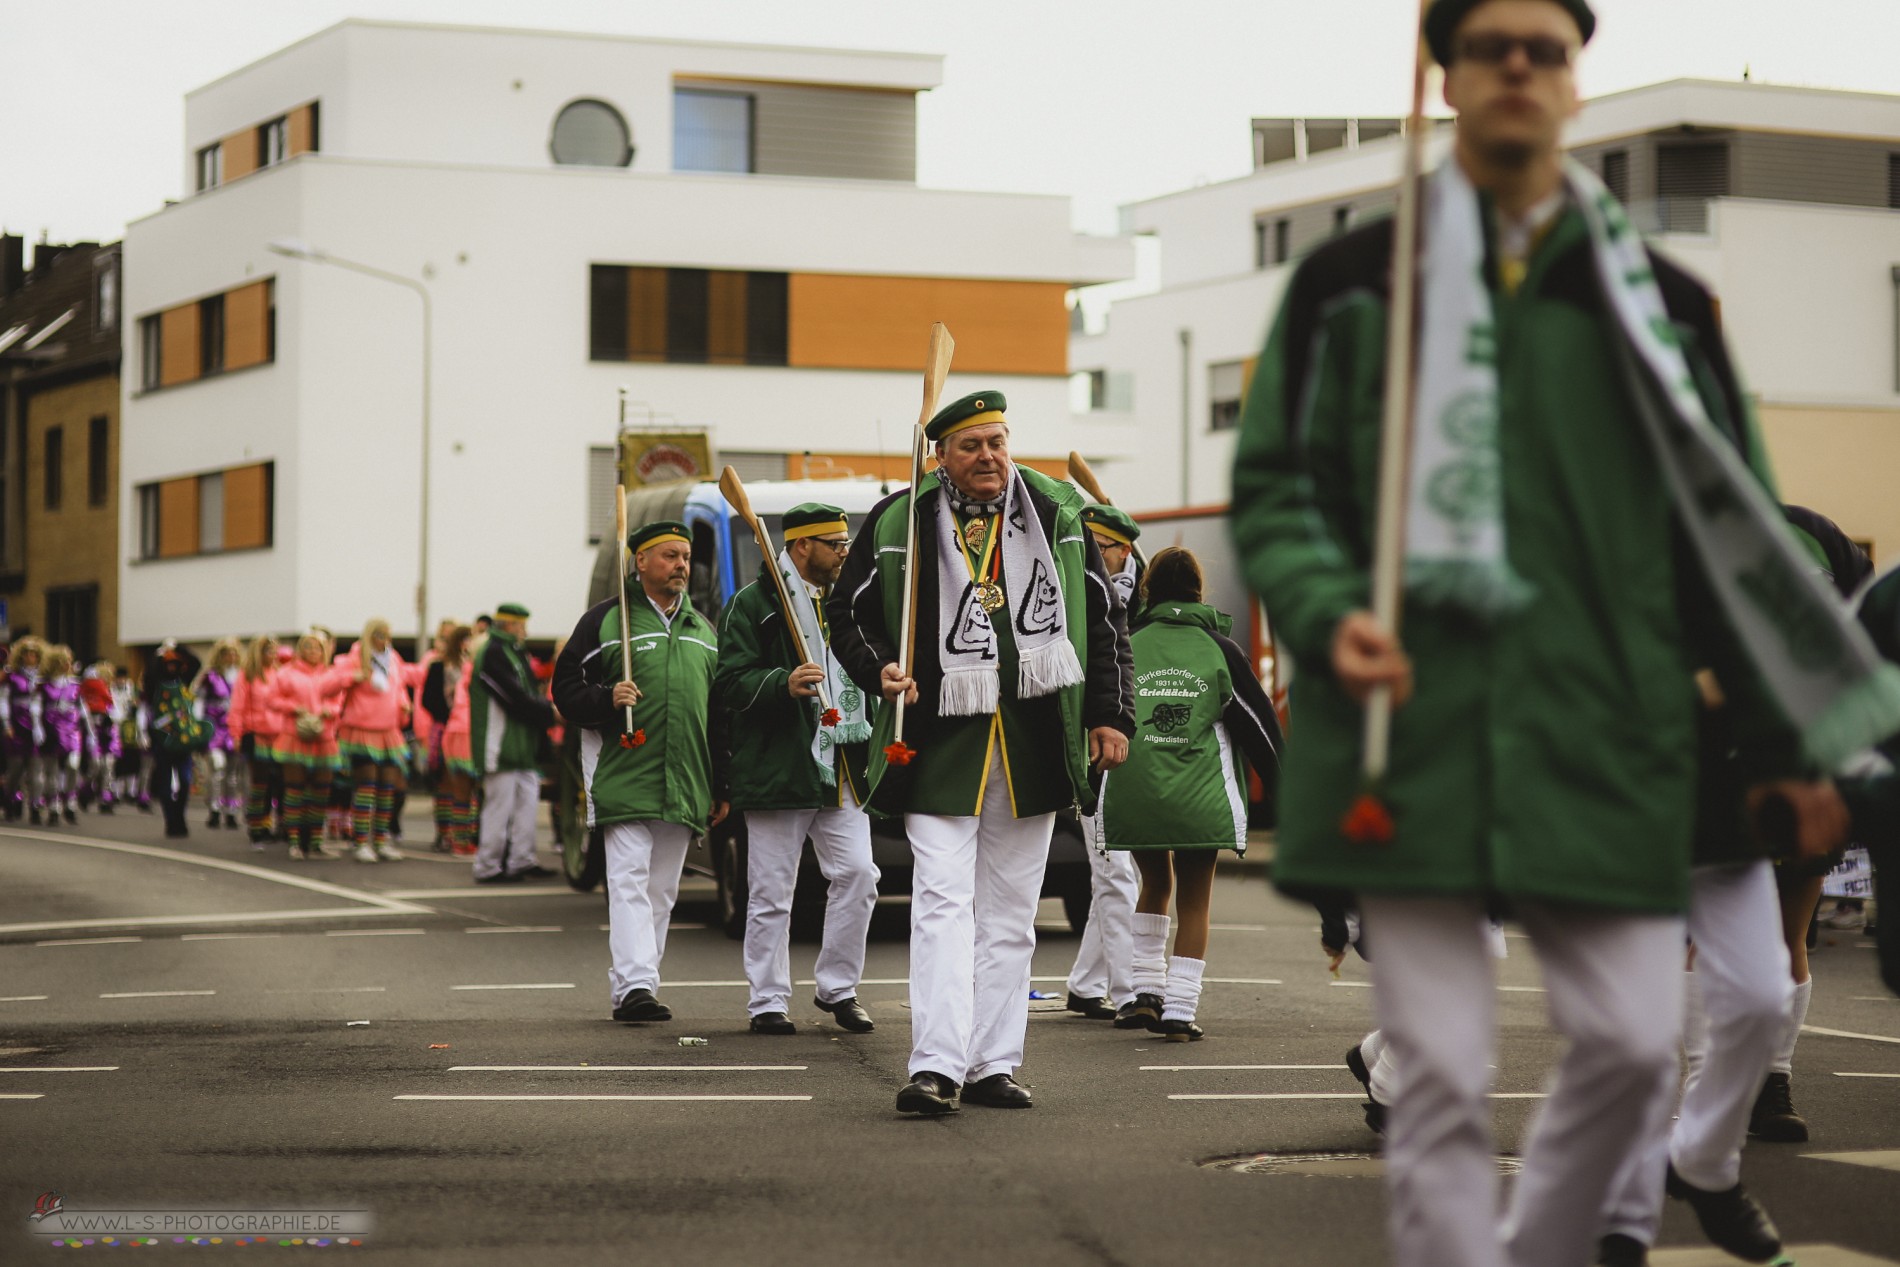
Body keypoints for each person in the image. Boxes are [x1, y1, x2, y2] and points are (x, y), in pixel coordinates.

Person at [1228, 3, 1883, 1264]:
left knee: (1638, 1046)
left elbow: (1731, 547)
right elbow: (1278, 491)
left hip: (1608, 732)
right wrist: (1324, 608)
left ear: (1577, 84)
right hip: (1409, 727)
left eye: (1549, 48)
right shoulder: (1348, 284)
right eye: (1493, 46)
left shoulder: (1665, 306)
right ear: (1449, 74)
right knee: (1435, 1075)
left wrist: (1794, 745)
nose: (1521, 66)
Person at [829, 389, 1134, 1114]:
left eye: (997, 441)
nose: (990, 456)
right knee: (940, 902)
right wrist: (879, 669)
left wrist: (1108, 712)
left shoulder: (1057, 514)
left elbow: (1104, 619)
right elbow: (847, 612)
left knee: (1010, 914)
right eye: (972, 446)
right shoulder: (900, 519)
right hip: (937, 742)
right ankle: (935, 1063)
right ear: (941, 457)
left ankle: (993, 1061)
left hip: (1031, 740)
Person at [1092, 548, 1282, 1041]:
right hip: (1200, 797)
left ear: (1148, 590)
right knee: (1195, 903)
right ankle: (1178, 1008)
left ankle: (1144, 995)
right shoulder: (1221, 650)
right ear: (1201, 592)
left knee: (1153, 884)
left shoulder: (1127, 643)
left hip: (1137, 792)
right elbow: (1259, 728)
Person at [553, 520, 730, 1023]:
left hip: (685, 778)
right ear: (641, 562)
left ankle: (639, 983)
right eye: (670, 556)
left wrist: (722, 783)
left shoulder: (704, 631)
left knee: (661, 890)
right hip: (624, 770)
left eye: (685, 556)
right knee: (628, 878)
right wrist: (606, 699)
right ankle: (635, 986)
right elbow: (565, 690)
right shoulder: (607, 622)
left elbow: (717, 715)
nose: (681, 566)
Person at [715, 502, 879, 1036]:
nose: (845, 553)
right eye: (836, 544)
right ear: (802, 546)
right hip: (781, 765)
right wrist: (780, 682)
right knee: (770, 891)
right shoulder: (753, 603)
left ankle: (838, 987)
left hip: (844, 762)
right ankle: (767, 999)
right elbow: (729, 683)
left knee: (859, 875)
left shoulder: (852, 600)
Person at [1066, 504, 1146, 1022]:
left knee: (1117, 874)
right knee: (1117, 874)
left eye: (1104, 547)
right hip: (1087, 755)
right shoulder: (1074, 593)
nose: (1094, 555)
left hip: (1123, 750)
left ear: (1122, 553)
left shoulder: (1140, 601)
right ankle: (1130, 991)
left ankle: (1085, 983)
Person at [469, 603, 556, 884]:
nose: (525, 631)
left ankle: (522, 859)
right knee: (499, 806)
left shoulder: (513, 652)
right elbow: (513, 696)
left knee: (527, 803)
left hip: (521, 744)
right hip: (500, 744)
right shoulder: (494, 653)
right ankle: (488, 865)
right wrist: (548, 712)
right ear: (509, 625)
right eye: (521, 625)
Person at [336, 618, 415, 864]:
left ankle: (381, 840)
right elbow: (332, 686)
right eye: (379, 635)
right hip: (362, 730)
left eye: (388, 635)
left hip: (389, 731)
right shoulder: (354, 658)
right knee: (366, 786)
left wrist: (404, 703)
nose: (385, 640)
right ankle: (360, 841)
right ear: (369, 635)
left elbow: (400, 685)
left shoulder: (393, 659)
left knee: (388, 788)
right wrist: (353, 677)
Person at [270, 632, 353, 859]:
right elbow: (273, 700)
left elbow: (340, 701)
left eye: (317, 647)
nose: (312, 651)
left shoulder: (330, 674)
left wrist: (330, 711)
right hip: (295, 736)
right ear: (300, 649)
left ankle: (315, 841)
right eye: (307, 647)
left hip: (324, 737)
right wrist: (293, 707)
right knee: (295, 789)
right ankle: (295, 841)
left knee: (321, 791)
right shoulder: (286, 674)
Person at [423, 623, 479, 855]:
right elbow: (429, 698)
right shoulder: (439, 666)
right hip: (449, 728)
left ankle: (464, 835)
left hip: (469, 729)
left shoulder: (475, 665)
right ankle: (447, 834)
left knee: (469, 787)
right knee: (448, 784)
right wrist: (449, 716)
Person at [146, 642, 207, 839]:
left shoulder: (183, 681)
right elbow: (150, 672)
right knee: (165, 782)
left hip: (182, 739)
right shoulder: (154, 684)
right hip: (162, 740)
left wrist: (179, 647)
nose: (172, 667)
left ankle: (180, 816)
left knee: (185, 780)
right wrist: (159, 653)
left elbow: (196, 663)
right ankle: (170, 820)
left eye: (175, 663)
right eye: (168, 663)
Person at [231, 636, 283, 850]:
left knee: (280, 783)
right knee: (260, 784)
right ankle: (256, 829)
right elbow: (237, 707)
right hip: (256, 734)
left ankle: (277, 825)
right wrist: (236, 733)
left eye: (274, 651)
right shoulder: (248, 676)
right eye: (268, 651)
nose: (273, 655)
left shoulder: (280, 674)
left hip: (279, 736)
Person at [36, 645, 94, 826]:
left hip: (71, 731)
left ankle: (70, 800)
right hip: (51, 730)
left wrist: (91, 733)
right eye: (65, 661)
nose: (68, 664)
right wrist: (37, 728)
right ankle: (54, 806)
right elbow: (36, 708)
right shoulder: (43, 686)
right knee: (51, 771)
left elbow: (84, 711)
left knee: (73, 765)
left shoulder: (75, 686)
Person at [194, 638, 243, 830]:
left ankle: (231, 811)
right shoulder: (210, 676)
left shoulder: (241, 676)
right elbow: (198, 700)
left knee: (232, 774)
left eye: (233, 653)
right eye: (226, 653)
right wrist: (199, 726)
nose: (230, 657)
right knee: (217, 769)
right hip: (215, 728)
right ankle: (214, 809)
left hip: (234, 728)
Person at [4, 637, 46, 822]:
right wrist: (6, 724)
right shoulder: (12, 675)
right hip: (17, 724)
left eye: (34, 654)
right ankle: (12, 800)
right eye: (27, 653)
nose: (31, 657)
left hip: (38, 725)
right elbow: (3, 700)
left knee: (36, 768)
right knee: (16, 768)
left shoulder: (43, 676)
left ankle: (35, 805)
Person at [79, 661, 121, 813]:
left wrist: (110, 716)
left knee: (108, 766)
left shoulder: (111, 693)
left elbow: (118, 713)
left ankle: (105, 797)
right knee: (95, 764)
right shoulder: (89, 692)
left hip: (109, 732)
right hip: (93, 731)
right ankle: (86, 789)